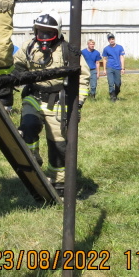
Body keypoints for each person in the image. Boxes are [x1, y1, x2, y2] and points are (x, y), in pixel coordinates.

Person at [13, 11, 90, 194]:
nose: (44, 36)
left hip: (58, 102)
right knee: (28, 127)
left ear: (58, 32)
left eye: (49, 32)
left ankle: (59, 183)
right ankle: (33, 160)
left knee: (58, 146)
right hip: (34, 97)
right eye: (40, 32)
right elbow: (17, 67)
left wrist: (77, 102)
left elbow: (83, 77)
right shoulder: (29, 47)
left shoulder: (68, 51)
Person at [101, 33, 126, 102]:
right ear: (108, 40)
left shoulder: (120, 47)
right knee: (111, 83)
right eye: (110, 39)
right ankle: (112, 97)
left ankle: (115, 94)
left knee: (118, 83)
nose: (111, 40)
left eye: (112, 39)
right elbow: (104, 59)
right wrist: (104, 69)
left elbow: (122, 57)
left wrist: (123, 68)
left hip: (117, 67)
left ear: (114, 39)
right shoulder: (106, 49)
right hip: (110, 67)